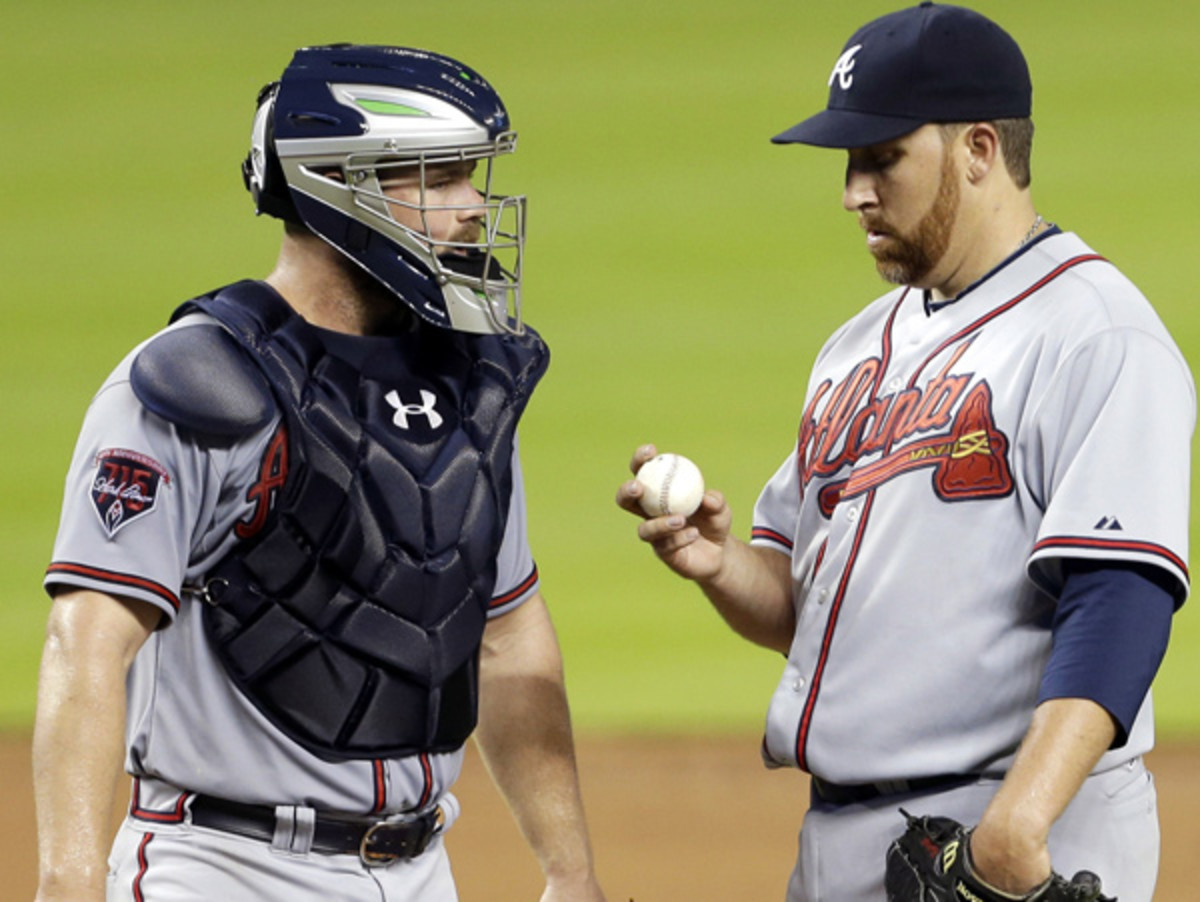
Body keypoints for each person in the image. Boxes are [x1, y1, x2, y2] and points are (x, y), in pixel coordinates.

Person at [617, 4, 1191, 900]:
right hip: (846, 838)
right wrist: (720, 564)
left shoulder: (1096, 334)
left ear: (978, 149)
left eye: (882, 158)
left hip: (1003, 829)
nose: (853, 192)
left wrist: (1016, 832)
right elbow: (812, 614)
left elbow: (1119, 600)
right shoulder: (854, 348)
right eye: (849, 162)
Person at [35, 44, 606, 902]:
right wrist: (68, 883)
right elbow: (86, 642)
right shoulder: (197, 386)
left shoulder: (466, 389)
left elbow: (508, 635)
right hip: (226, 870)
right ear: (340, 185)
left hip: (420, 870)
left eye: (473, 176)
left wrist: (570, 870)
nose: (473, 207)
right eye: (441, 177)